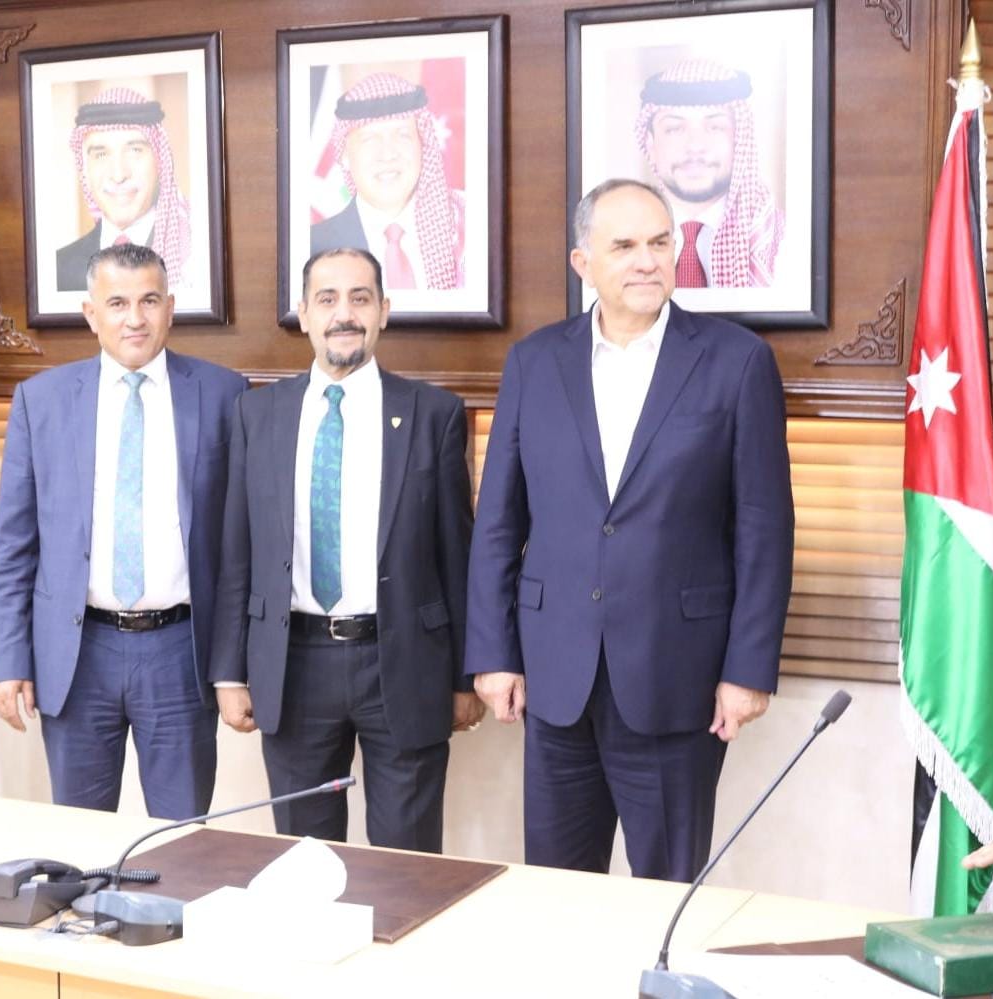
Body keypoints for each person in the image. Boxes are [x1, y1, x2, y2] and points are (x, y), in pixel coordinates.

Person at [465, 179, 794, 881]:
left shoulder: (737, 361)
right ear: (582, 262)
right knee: (557, 889)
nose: (647, 260)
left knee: (665, 892)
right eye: (624, 246)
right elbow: (497, 521)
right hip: (556, 677)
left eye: (659, 242)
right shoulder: (533, 362)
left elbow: (764, 530)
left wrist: (747, 670)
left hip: (679, 678)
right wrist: (493, 653)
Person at [210, 247, 482, 852]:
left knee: (407, 864)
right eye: (327, 299)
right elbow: (237, 552)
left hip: (403, 662)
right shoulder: (257, 413)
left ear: (384, 310)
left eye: (360, 298)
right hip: (294, 665)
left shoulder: (434, 415)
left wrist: (465, 675)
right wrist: (229, 672)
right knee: (305, 860)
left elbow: (457, 558)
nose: (344, 314)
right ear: (303, 313)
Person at [0, 243, 246, 820]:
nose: (135, 318)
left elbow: (240, 548)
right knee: (80, 837)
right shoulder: (41, 401)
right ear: (91, 313)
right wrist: (7, 660)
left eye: (149, 301)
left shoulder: (223, 394)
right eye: (118, 303)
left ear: (170, 308)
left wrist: (234, 664)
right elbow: (13, 547)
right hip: (78, 652)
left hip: (181, 651)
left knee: (181, 837)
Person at [634, 58, 784, 288]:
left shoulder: (782, 243)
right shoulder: (617, 240)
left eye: (715, 127)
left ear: (739, 140)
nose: (695, 146)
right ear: (651, 145)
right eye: (674, 129)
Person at [311, 73, 465, 291]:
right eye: (370, 139)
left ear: (422, 144)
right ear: (344, 154)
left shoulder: (465, 228)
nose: (388, 154)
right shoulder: (315, 246)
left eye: (402, 135)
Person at [55, 88, 192, 292]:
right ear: (85, 170)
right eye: (101, 155)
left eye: (135, 150)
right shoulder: (59, 269)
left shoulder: (194, 257)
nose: (118, 175)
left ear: (160, 163)